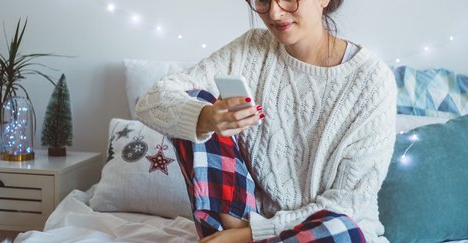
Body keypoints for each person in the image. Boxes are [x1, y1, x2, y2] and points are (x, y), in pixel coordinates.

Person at [136, 0, 396, 242]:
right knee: (194, 105)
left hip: (318, 232)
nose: (274, 13)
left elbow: (348, 202)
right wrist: (207, 119)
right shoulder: (249, 49)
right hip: (235, 223)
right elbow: (150, 103)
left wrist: (249, 235)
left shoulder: (371, 80)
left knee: (340, 228)